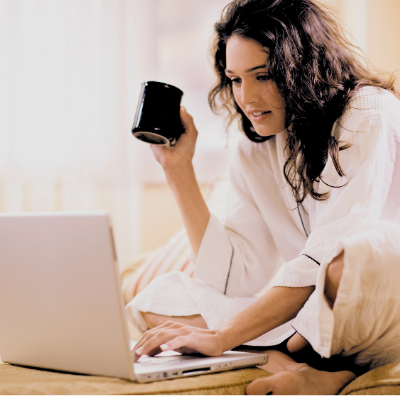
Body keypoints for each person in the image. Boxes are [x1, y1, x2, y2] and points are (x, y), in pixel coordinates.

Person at [126, 0, 400, 395]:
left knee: (344, 264)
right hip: (308, 314)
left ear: (302, 68)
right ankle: (292, 362)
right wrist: (178, 169)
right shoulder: (256, 147)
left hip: (374, 299)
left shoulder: (369, 110)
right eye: (235, 80)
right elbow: (234, 277)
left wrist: (223, 336)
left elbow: (327, 255)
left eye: (263, 76)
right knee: (157, 298)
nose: (247, 97)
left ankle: (296, 352)